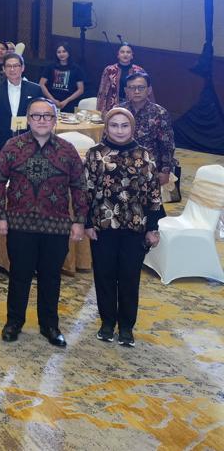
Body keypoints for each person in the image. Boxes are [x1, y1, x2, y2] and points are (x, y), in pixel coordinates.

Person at [0, 97, 87, 347]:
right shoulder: (12, 147)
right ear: (28, 119)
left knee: (51, 277)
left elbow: (79, 187)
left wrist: (79, 221)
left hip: (56, 227)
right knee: (19, 276)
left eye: (47, 116)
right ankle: (14, 322)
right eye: (36, 116)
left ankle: (50, 325)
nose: (42, 120)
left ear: (55, 120)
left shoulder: (68, 151)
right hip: (19, 224)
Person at [84, 107, 163, 346]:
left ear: (132, 127)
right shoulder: (95, 154)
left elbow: (154, 194)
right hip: (103, 226)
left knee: (129, 278)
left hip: (134, 227)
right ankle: (107, 323)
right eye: (114, 125)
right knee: (104, 276)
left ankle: (127, 327)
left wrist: (152, 227)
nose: (119, 130)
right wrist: (86, 223)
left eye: (124, 125)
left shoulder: (144, 155)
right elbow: (85, 191)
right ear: (106, 127)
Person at [120, 71, 181, 202]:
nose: (136, 91)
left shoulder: (160, 113)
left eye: (141, 87)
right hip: (122, 165)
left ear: (149, 90)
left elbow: (167, 145)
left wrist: (165, 171)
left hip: (150, 169)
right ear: (126, 90)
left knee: (147, 205)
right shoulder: (120, 111)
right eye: (132, 88)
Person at [0, 53, 45, 150]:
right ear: (3, 69)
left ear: (22, 67)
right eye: (8, 66)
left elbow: (41, 116)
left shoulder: (35, 89)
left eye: (16, 66)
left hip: (28, 140)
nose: (12, 69)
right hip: (2, 141)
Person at [97, 43, 152, 113]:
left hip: (134, 106)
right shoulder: (109, 70)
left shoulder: (139, 70)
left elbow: (147, 91)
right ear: (118, 55)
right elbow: (103, 91)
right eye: (122, 52)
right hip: (112, 106)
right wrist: (102, 110)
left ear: (132, 56)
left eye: (128, 52)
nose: (125, 54)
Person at [39, 43, 86, 114]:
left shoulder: (76, 69)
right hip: (50, 102)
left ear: (69, 53)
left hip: (70, 104)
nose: (61, 54)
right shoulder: (50, 67)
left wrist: (66, 101)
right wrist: (52, 100)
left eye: (64, 51)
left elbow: (80, 89)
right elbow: (41, 84)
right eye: (59, 52)